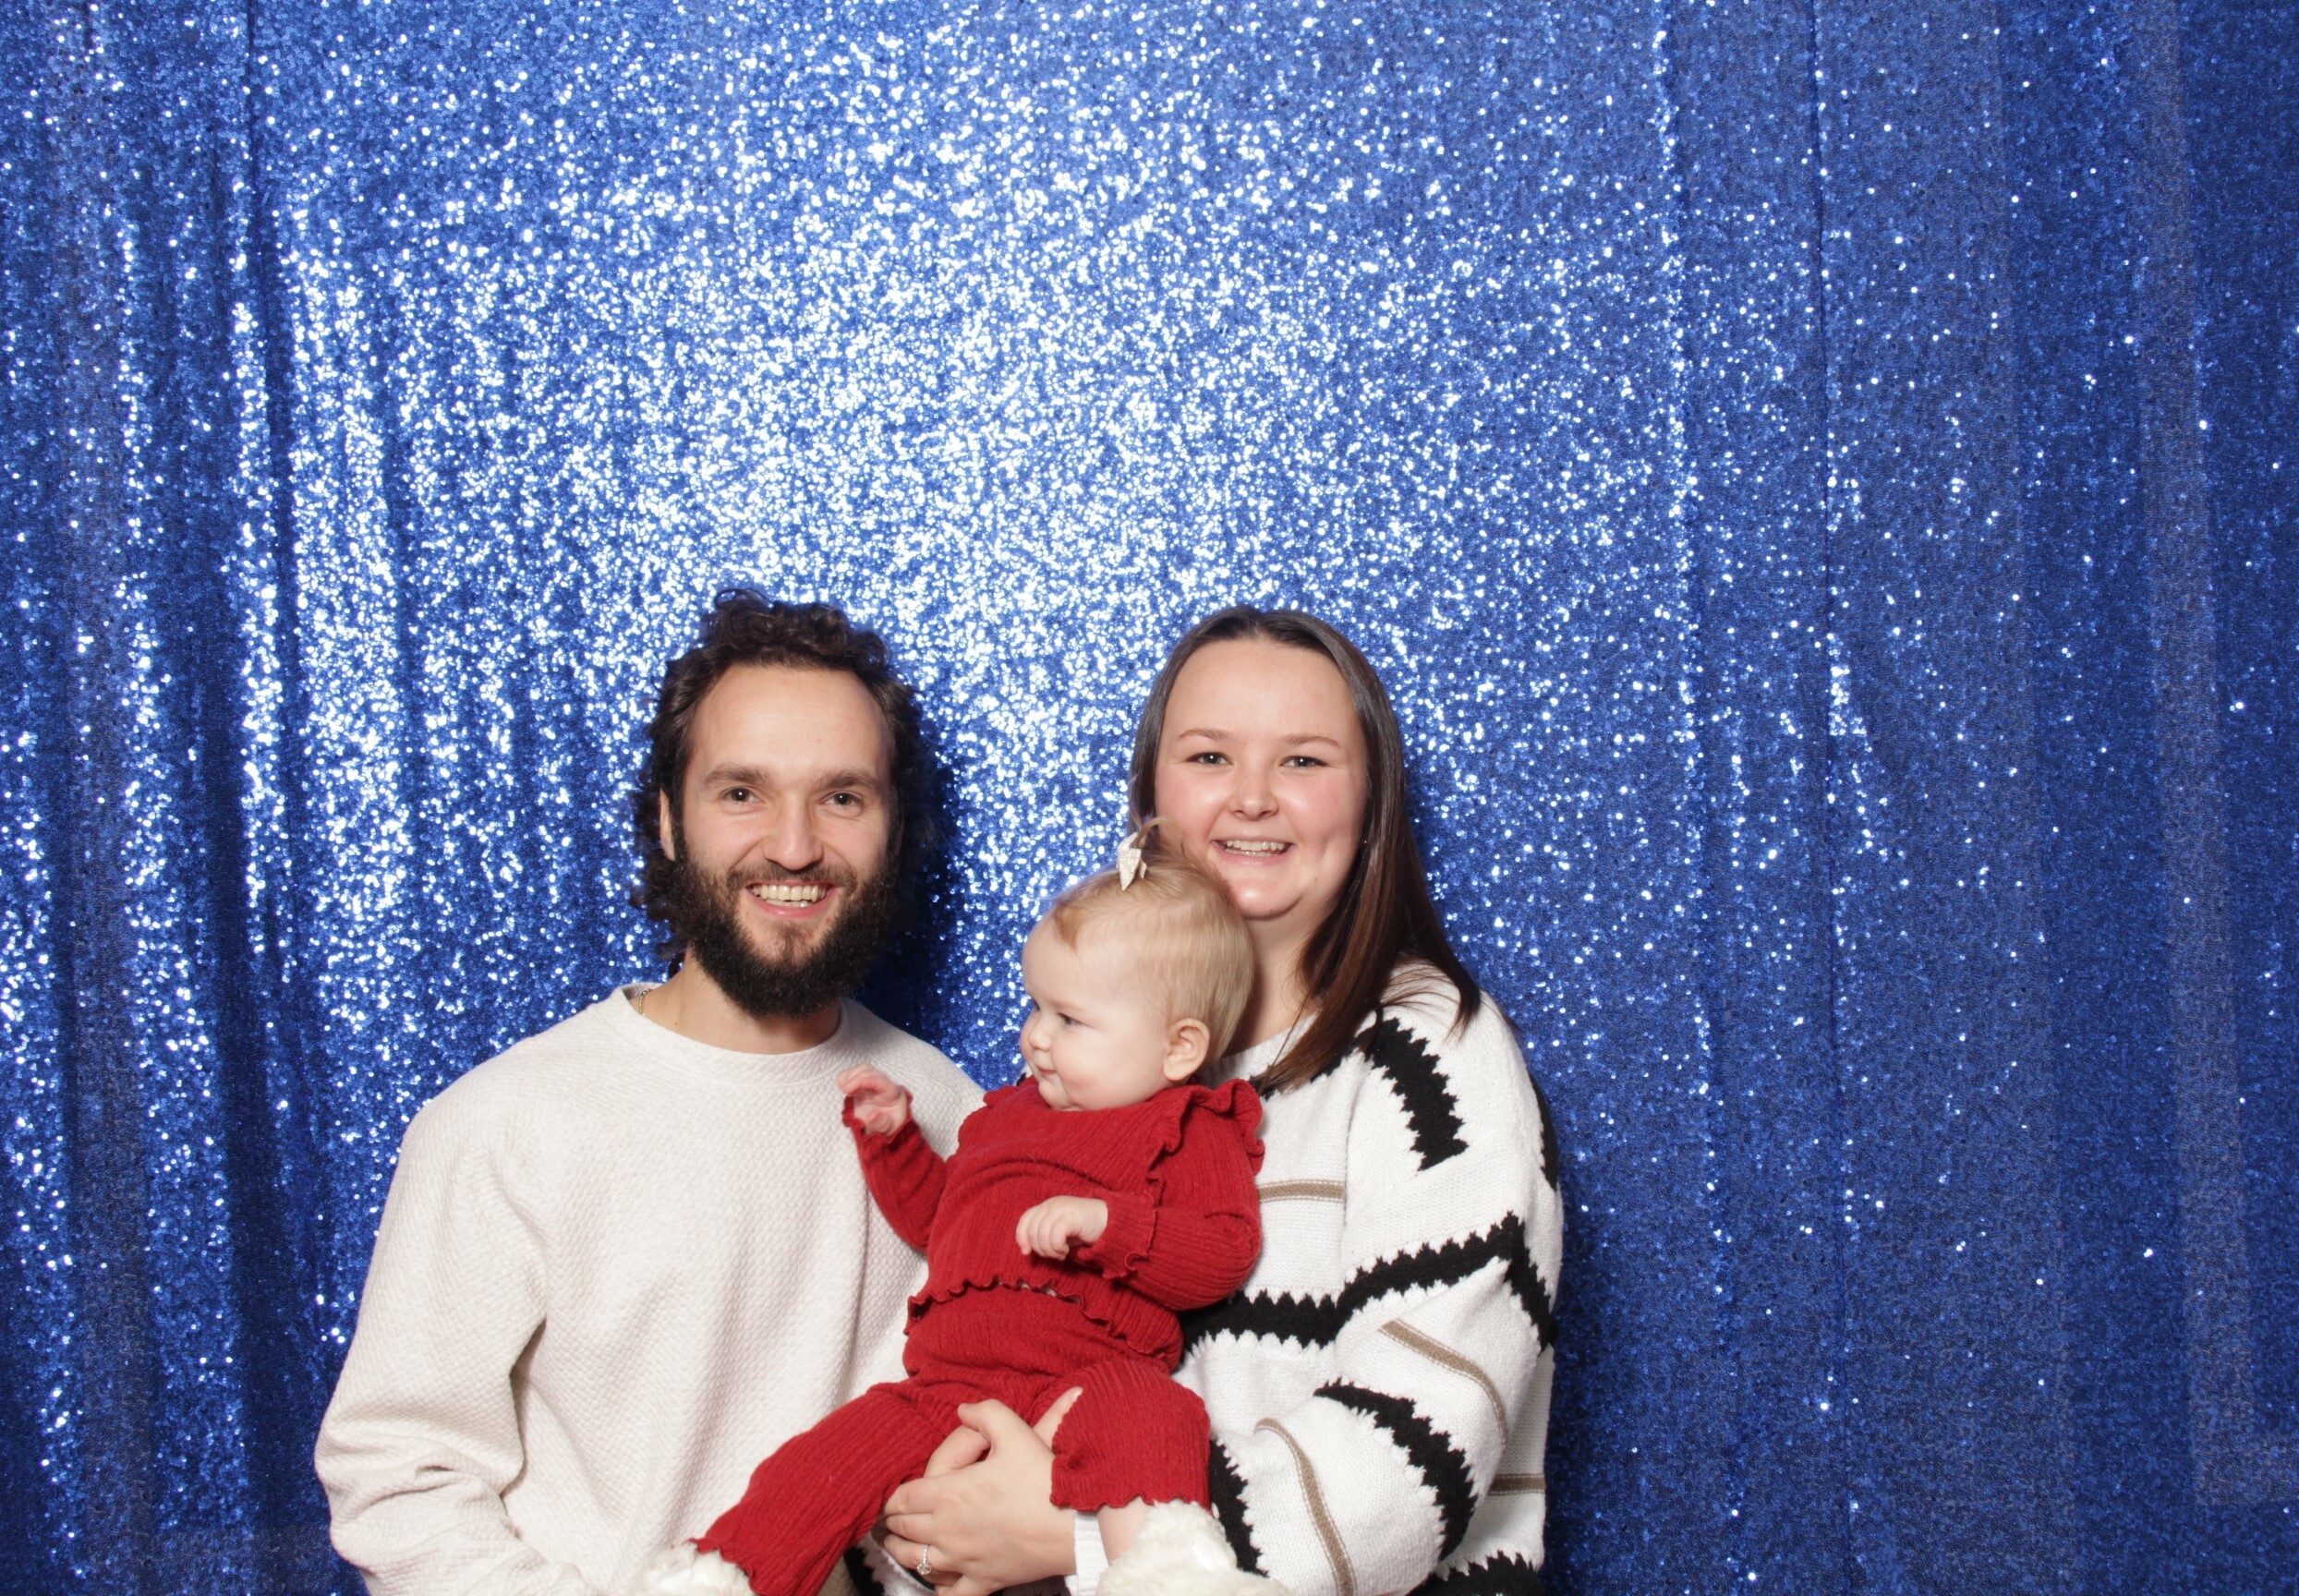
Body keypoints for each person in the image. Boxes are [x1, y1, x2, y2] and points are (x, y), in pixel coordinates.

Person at [874, 608, 1564, 1596]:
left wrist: (1084, 1537)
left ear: (1371, 804)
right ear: (1150, 796)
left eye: (1304, 761)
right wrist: (930, 1519)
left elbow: (1412, 1459)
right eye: (1208, 757)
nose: (1251, 799)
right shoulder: (1093, 1065)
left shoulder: (1428, 1056)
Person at [315, 591, 985, 1596]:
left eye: (842, 797)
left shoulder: (950, 1112)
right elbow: (399, 1479)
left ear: (892, 828)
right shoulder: (504, 1126)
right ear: (669, 819)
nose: (794, 846)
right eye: (742, 793)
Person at [638, 841, 1277, 1596]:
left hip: (1090, 1381)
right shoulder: (1004, 1117)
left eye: (1070, 1019)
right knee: (830, 1456)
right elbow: (944, 1226)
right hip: (949, 1384)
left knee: (1159, 1417)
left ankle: (1171, 1572)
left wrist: (1112, 1227)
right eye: (1036, 1007)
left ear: (1179, 1048)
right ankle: (728, 1573)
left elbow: (1224, 1252)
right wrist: (894, 1144)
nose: (1036, 1035)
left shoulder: (1189, 1123)